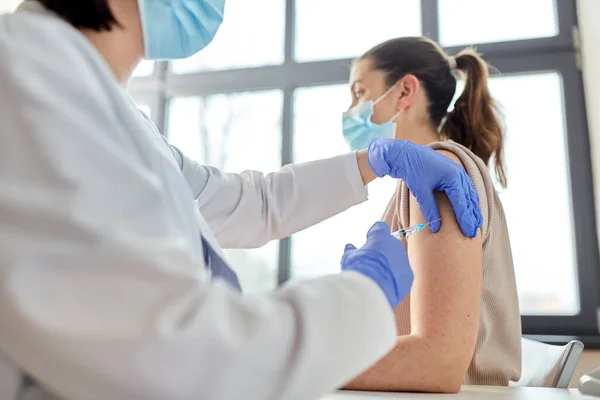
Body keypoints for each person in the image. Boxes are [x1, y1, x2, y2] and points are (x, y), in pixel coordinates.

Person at [0, 2, 482, 400]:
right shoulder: (27, 77)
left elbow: (249, 203)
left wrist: (370, 162)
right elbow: (180, 361)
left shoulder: (105, 106)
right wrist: (365, 296)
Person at [340, 37, 521, 393]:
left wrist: (301, 362)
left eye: (360, 92)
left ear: (405, 91)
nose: (351, 109)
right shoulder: (417, 178)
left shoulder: (440, 176)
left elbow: (437, 361)